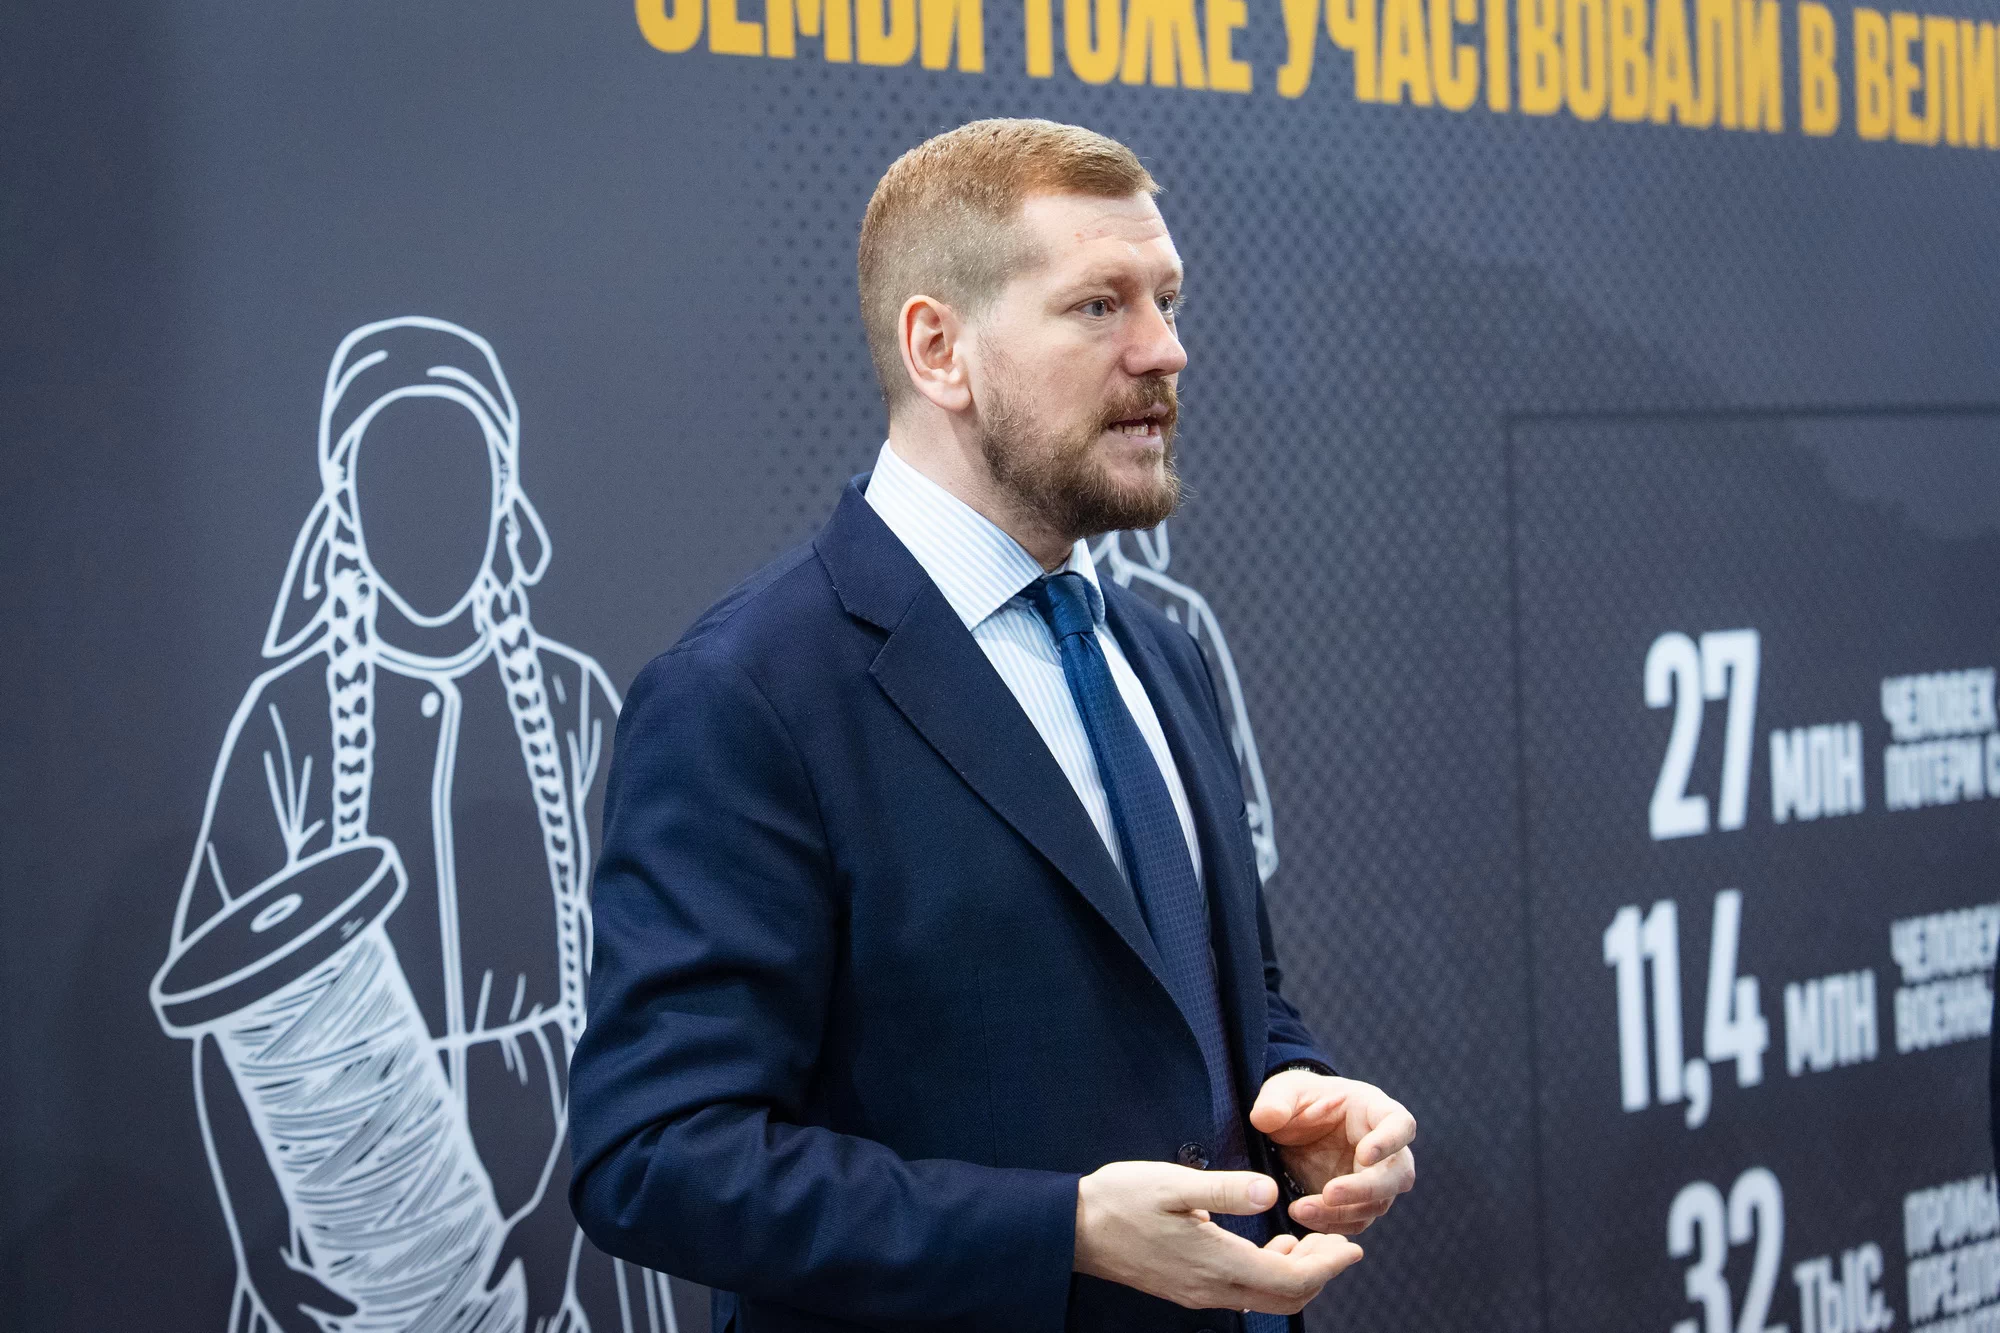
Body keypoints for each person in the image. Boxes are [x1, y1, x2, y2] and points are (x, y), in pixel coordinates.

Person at [568, 118, 1418, 1332]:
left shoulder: (1158, 653)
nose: (1164, 350)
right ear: (939, 349)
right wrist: (1059, 1228)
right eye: (1097, 306)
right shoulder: (744, 696)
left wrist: (1303, 1100)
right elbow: (655, 1158)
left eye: (1166, 300)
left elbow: (1207, 1001)